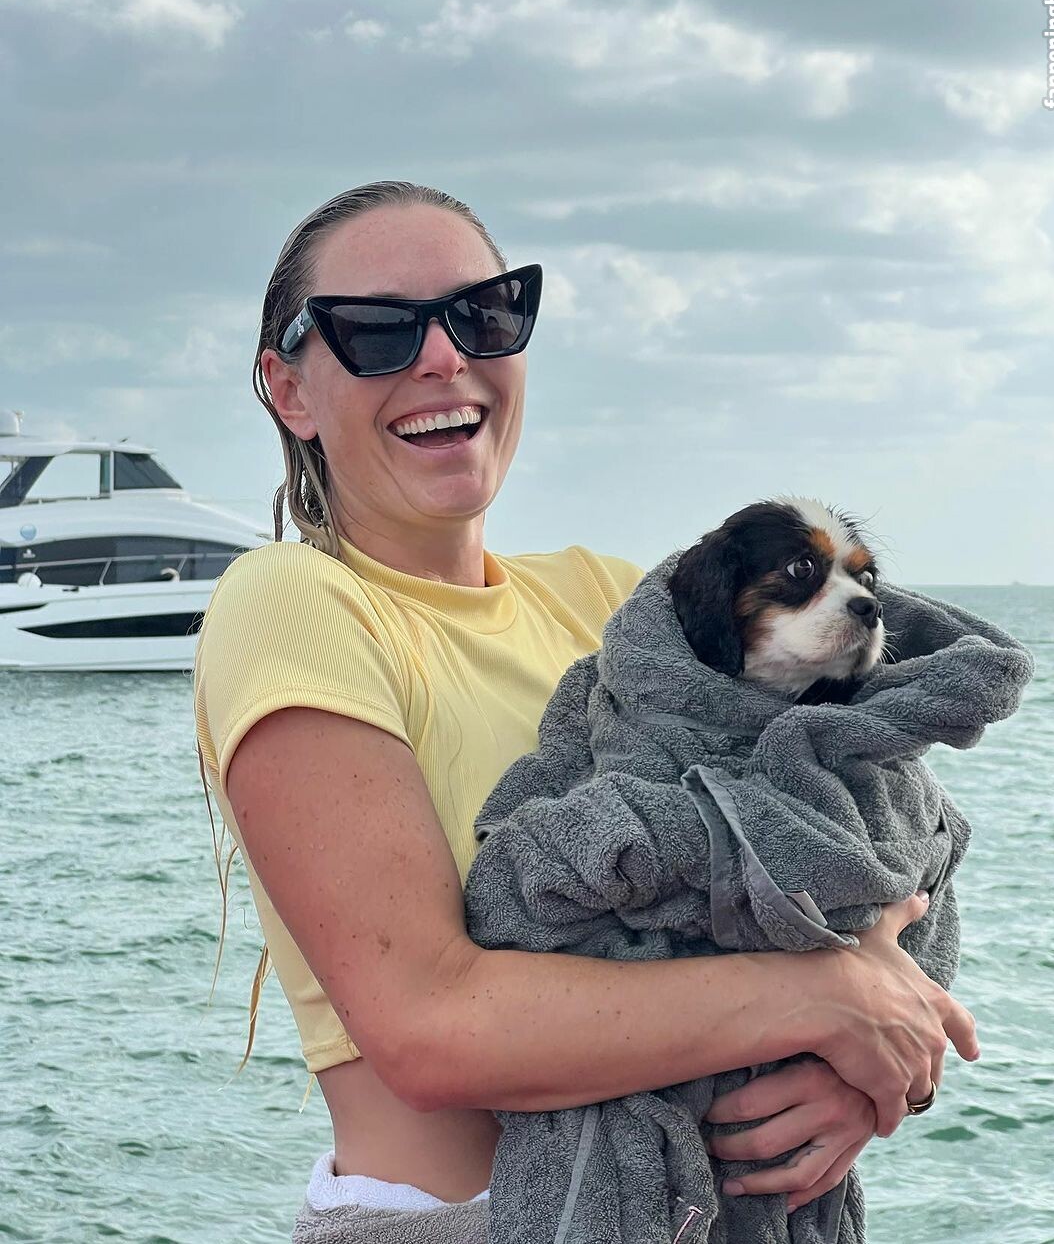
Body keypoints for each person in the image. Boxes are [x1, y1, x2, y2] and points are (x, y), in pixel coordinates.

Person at [193, 180, 979, 1242]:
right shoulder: (293, 601)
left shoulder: (612, 601)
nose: (443, 357)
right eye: (377, 330)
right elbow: (430, 1029)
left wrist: (866, 1073)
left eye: (484, 314)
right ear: (289, 390)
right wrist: (825, 999)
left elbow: (876, 848)